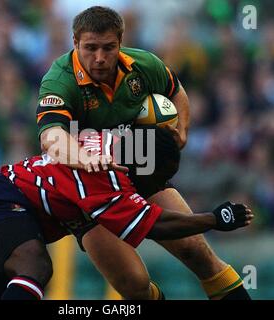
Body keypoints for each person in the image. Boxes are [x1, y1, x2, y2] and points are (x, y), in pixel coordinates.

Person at [36, 6, 252, 299]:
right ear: (75, 42)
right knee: (135, 286)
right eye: (90, 48)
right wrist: (88, 158)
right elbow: (51, 138)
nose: (99, 57)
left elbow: (176, 90)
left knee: (196, 252)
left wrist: (183, 128)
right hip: (88, 195)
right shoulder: (59, 80)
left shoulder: (143, 65)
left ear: (120, 42)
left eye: (108, 48)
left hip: (139, 171)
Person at [0, 126, 253, 300]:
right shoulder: (103, 176)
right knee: (36, 267)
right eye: (161, 177)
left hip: (3, 207)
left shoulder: (115, 143)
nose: (162, 185)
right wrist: (214, 219)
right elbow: (155, 226)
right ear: (141, 167)